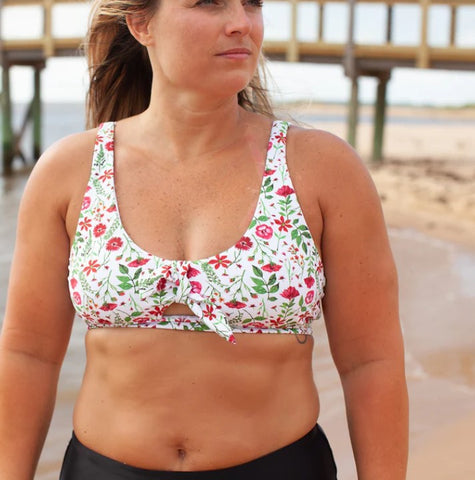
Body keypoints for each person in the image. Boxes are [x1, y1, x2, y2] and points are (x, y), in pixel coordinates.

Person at [0, 0, 408, 478]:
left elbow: (370, 361)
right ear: (141, 23)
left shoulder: (320, 168)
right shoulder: (69, 170)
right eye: (209, 3)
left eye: (252, 4)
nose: (241, 23)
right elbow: (29, 354)